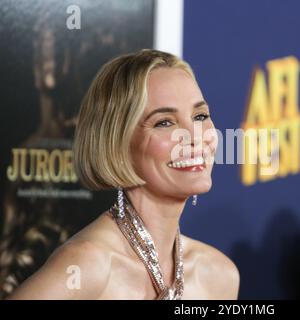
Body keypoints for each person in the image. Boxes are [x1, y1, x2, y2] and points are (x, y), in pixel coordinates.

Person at [6, 49, 240, 300]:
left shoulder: (218, 276)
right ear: (118, 144)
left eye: (200, 116)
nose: (193, 136)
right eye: (164, 122)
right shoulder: (88, 266)